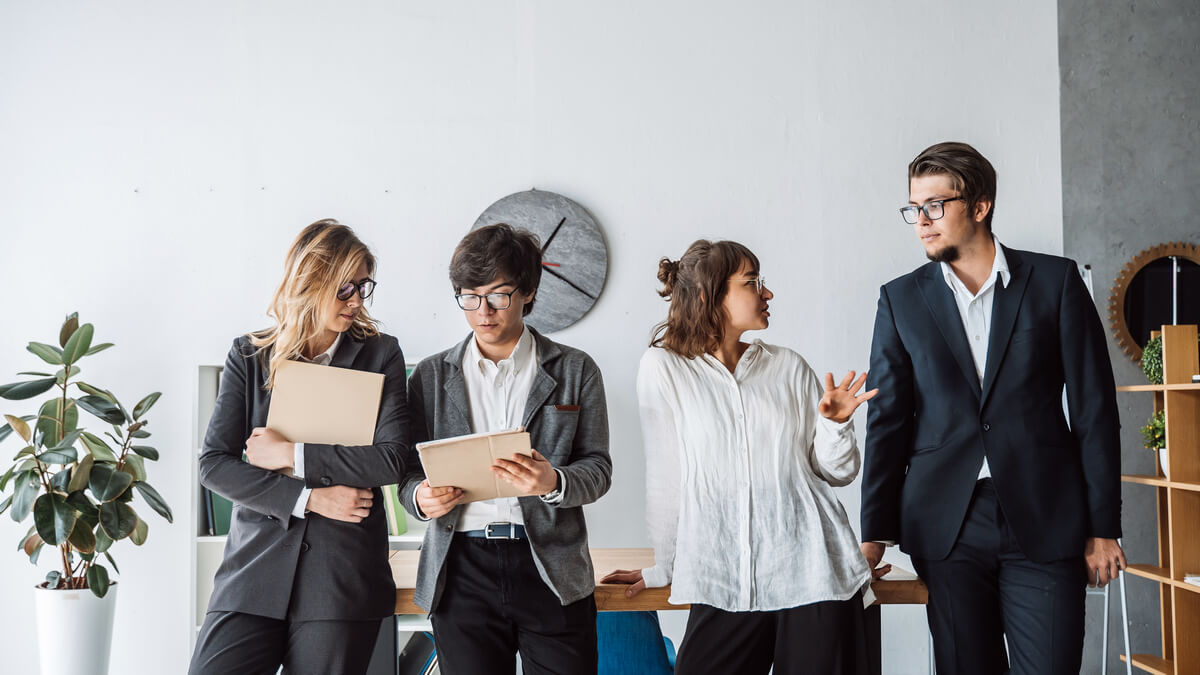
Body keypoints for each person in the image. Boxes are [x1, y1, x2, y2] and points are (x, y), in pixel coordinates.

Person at [859, 141, 1126, 674]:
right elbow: (888, 422)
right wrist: (872, 537)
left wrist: (1103, 526)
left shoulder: (1056, 283)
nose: (922, 221)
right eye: (914, 208)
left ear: (979, 207)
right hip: (945, 525)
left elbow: (1094, 410)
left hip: (1047, 519)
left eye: (936, 205)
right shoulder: (900, 300)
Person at [602, 239, 877, 675]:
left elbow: (836, 472)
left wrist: (836, 424)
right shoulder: (664, 367)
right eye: (752, 283)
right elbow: (666, 476)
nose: (767, 293)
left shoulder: (788, 367)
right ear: (710, 295)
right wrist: (664, 566)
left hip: (812, 572)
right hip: (723, 576)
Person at [189, 219, 410, 675]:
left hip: (341, 578)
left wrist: (294, 454)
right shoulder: (249, 355)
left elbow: (393, 458)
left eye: (363, 288)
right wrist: (308, 498)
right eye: (344, 289)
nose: (356, 302)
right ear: (310, 282)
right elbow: (214, 465)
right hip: (253, 573)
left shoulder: (380, 354)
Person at [400, 223, 612, 675]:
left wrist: (553, 481)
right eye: (470, 296)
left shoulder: (575, 369)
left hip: (551, 568)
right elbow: (405, 473)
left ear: (529, 291)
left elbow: (598, 469)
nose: (483, 311)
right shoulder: (431, 376)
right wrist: (420, 498)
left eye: (498, 295)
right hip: (460, 569)